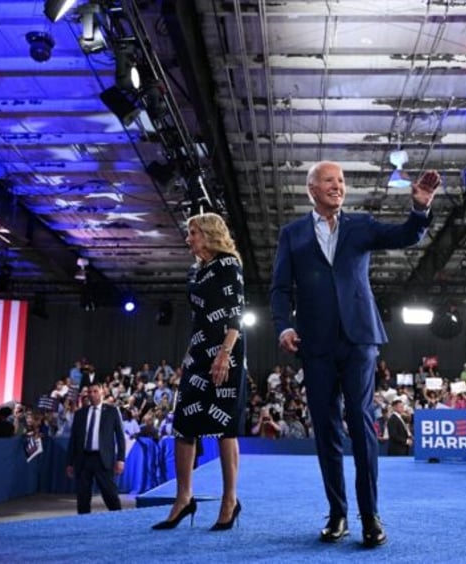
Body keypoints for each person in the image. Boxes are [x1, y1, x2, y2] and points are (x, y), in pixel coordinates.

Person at [270, 160, 437, 547]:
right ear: (312, 189)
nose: (338, 186)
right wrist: (284, 325)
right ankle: (337, 513)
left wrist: (420, 207)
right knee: (326, 427)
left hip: (360, 338)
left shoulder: (361, 225)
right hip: (314, 343)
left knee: (360, 422)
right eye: (329, 180)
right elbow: (280, 290)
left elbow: (406, 235)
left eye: (341, 180)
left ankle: (370, 516)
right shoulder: (291, 234)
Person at [152, 212, 246, 532]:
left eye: (193, 232)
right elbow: (199, 319)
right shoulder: (197, 269)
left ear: (208, 234)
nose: (188, 238)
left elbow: (236, 313)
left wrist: (223, 353)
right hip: (198, 350)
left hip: (226, 351)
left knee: (225, 426)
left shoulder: (229, 264)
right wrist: (189, 355)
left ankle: (229, 500)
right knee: (183, 424)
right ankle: (183, 499)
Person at [65, 382, 126, 514]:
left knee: (110, 494)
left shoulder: (112, 411)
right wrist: (70, 462)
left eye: (95, 391)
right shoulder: (80, 413)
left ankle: (119, 520)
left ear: (102, 393)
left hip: (102, 459)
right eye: (90, 392)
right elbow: (74, 440)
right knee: (83, 496)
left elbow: (120, 437)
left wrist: (121, 459)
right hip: (83, 459)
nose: (92, 394)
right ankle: (84, 523)